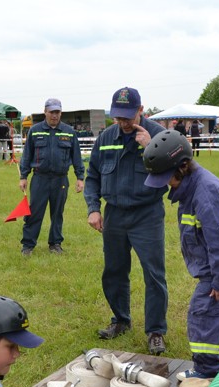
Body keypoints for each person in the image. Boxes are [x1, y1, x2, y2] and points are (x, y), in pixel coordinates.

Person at [143, 130, 219, 380]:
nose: (166, 183)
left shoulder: (206, 194)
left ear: (182, 166)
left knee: (204, 318)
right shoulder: (194, 188)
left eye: (166, 177)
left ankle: (207, 373)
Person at [84, 86, 168, 355]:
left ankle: (156, 331)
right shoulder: (106, 137)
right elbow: (93, 175)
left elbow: (175, 170)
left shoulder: (157, 134)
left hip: (147, 213)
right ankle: (121, 320)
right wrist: (93, 208)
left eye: (128, 117)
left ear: (141, 110)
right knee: (114, 271)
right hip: (115, 214)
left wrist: (149, 147)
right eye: (118, 117)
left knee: (153, 274)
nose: (123, 123)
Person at [18, 98, 85, 256]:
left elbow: (77, 157)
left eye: (57, 112)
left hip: (60, 179)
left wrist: (80, 177)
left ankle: (55, 243)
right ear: (45, 112)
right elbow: (27, 156)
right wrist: (23, 176)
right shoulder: (35, 131)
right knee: (34, 212)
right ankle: (28, 245)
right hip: (40, 179)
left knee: (57, 213)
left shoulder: (69, 132)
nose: (54, 115)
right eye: (51, 112)